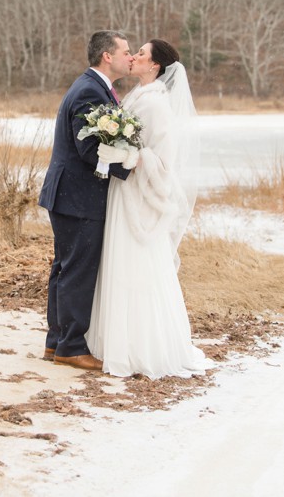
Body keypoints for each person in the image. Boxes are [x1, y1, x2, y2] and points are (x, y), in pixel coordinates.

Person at [86, 39, 212, 379]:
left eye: (141, 54)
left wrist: (129, 156)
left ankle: (139, 346)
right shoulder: (138, 97)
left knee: (136, 267)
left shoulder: (156, 105)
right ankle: (114, 339)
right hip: (123, 192)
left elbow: (163, 160)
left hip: (138, 198)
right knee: (119, 263)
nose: (135, 57)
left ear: (154, 66)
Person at [38, 30, 133, 371]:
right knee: (77, 271)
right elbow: (90, 149)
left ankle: (57, 342)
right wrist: (129, 169)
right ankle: (71, 347)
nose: (130, 57)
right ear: (107, 56)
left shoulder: (93, 87)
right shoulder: (90, 91)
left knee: (65, 269)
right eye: (125, 51)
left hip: (69, 196)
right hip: (77, 197)